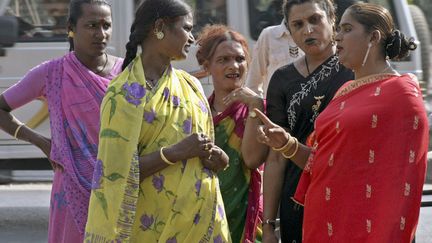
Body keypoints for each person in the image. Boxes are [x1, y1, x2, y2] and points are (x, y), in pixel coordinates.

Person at [255, 2, 427, 242]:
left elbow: (402, 178)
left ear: (373, 37)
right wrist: (286, 144)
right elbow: (323, 162)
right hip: (323, 220)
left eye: (347, 29)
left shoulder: (401, 94)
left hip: (368, 228)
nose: (338, 36)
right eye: (297, 25)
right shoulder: (345, 91)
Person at [84, 1, 231, 242]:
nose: (192, 38)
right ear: (160, 27)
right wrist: (174, 153)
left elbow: (203, 151)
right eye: (186, 28)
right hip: (151, 227)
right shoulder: (123, 94)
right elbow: (115, 174)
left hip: (199, 221)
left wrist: (217, 158)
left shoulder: (191, 85)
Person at [0, 0, 122, 242]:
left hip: (118, 186)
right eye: (91, 25)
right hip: (70, 189)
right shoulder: (51, 73)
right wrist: (43, 142)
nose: (101, 34)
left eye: (106, 25)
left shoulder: (126, 71)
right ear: (71, 28)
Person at [260, 0, 354, 242]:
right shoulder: (281, 80)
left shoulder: (354, 71)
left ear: (332, 20)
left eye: (315, 20)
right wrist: (269, 226)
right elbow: (276, 156)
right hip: (297, 200)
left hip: (348, 195)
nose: (308, 30)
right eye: (298, 25)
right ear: (290, 32)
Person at [195, 24, 268, 242]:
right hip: (203, 214)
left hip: (247, 217)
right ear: (207, 67)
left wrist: (255, 105)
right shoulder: (197, 112)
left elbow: (252, 159)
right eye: (223, 60)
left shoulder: (261, 109)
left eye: (239, 59)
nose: (233, 65)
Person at [245, 2, 303, 98]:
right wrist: (262, 107)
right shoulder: (269, 35)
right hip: (275, 110)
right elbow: (253, 83)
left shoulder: (313, 35)